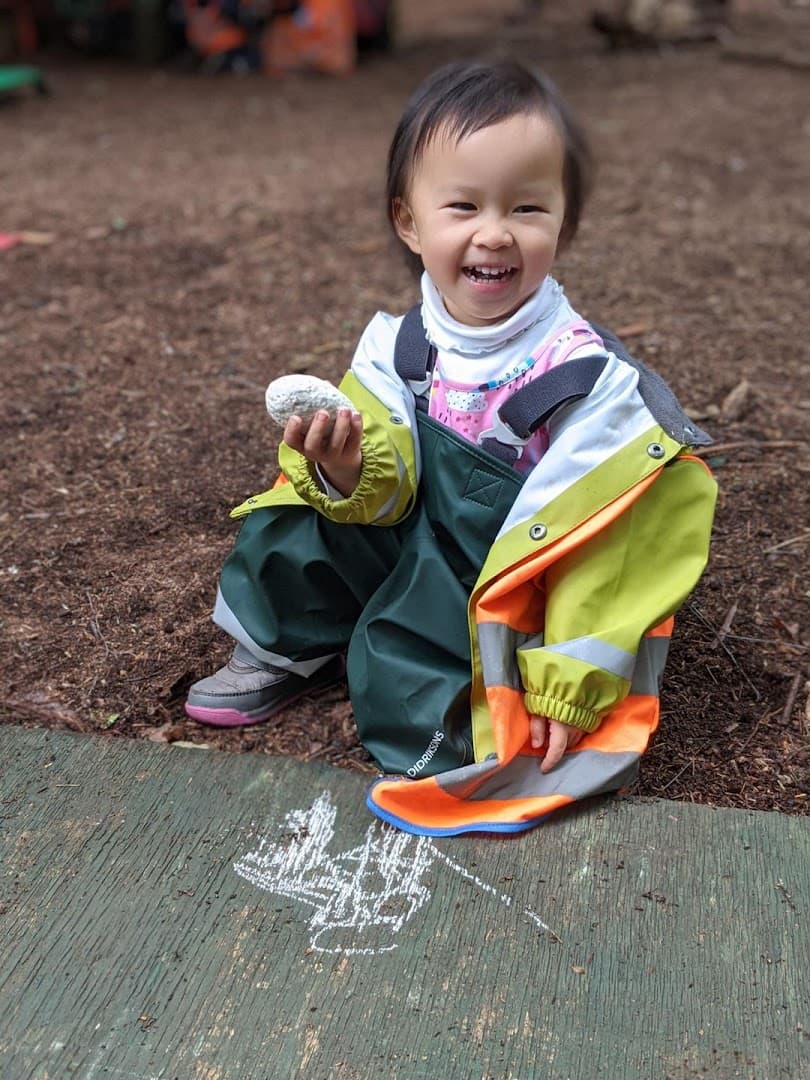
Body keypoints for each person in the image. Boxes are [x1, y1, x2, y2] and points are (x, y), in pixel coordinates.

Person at [185, 59, 717, 835]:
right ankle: (282, 646)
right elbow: (389, 484)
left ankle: (432, 671)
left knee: (421, 703)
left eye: (527, 207)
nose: (494, 232)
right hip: (413, 530)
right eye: (463, 205)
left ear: (563, 222)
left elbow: (613, 552)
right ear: (410, 221)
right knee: (297, 512)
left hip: (493, 569)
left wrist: (569, 683)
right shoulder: (399, 344)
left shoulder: (585, 382)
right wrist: (344, 468)